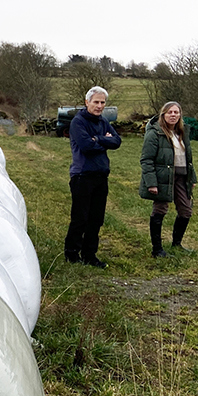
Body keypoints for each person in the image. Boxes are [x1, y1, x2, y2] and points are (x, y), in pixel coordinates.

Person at [65, 86, 121, 268]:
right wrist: (103, 140)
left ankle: (89, 254)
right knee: (80, 218)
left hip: (100, 175)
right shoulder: (78, 122)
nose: (99, 106)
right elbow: (86, 146)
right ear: (87, 102)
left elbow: (117, 141)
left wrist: (98, 139)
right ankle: (72, 254)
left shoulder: (103, 121)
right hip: (82, 175)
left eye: (102, 102)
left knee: (96, 218)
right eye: (96, 102)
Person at [139, 101, 198, 257]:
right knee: (160, 210)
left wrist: (192, 179)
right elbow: (146, 160)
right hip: (162, 178)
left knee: (186, 211)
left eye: (176, 112)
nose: (173, 115)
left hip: (181, 177)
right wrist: (151, 183)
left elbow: (188, 159)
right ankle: (157, 249)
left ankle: (176, 244)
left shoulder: (182, 132)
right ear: (163, 115)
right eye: (170, 112)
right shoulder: (154, 133)